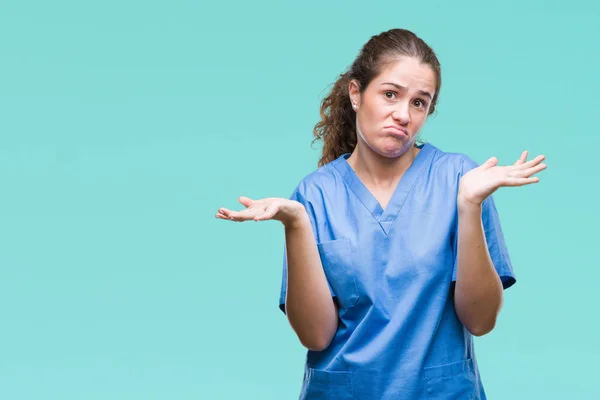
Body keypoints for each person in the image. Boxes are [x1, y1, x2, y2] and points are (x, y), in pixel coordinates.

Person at [216, 28, 546, 399]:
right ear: (356, 94)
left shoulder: (463, 181)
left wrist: (469, 208)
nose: (403, 115)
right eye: (390, 94)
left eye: (420, 103)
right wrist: (295, 224)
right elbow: (315, 335)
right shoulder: (315, 195)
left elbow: (481, 321)